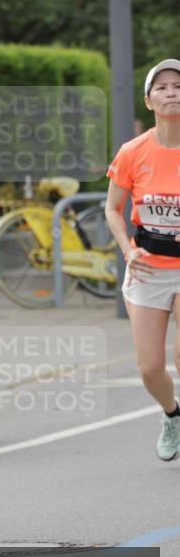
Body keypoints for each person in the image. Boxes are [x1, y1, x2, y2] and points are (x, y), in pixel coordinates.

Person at [105, 58, 180, 462]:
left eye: (178, 86)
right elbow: (113, 209)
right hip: (148, 267)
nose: (172, 93)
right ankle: (172, 414)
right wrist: (128, 250)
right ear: (149, 101)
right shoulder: (133, 152)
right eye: (163, 87)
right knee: (150, 368)